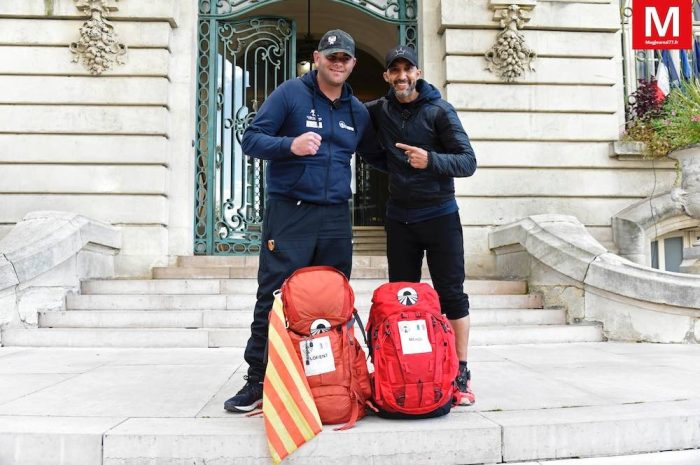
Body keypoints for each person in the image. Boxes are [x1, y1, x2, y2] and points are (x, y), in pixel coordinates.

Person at [224, 29, 384, 413]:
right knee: (276, 295)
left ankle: (326, 377)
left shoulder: (356, 110)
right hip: (290, 212)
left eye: (344, 58)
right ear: (317, 58)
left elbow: (376, 154)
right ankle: (258, 380)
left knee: (331, 298)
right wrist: (289, 146)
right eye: (331, 57)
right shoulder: (290, 94)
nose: (338, 63)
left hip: (335, 216)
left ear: (352, 64)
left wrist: (425, 160)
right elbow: (251, 138)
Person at [364, 45, 477, 405]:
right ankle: (410, 370)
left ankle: (459, 374)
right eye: (394, 71)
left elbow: (467, 161)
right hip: (400, 218)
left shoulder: (439, 111)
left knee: (452, 295)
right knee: (403, 298)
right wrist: (394, 165)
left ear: (418, 72)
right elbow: (367, 147)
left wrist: (429, 161)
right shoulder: (379, 110)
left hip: (440, 215)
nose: (401, 76)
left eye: (407, 69)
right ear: (386, 77)